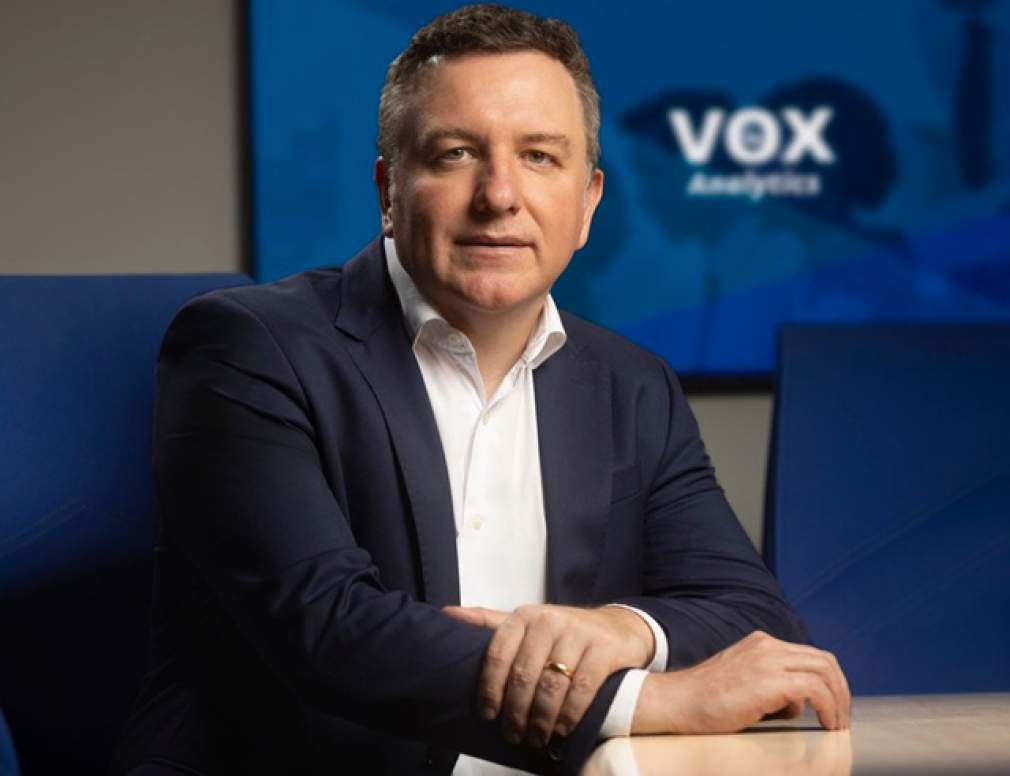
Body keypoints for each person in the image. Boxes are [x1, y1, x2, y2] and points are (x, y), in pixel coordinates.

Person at [114, 5, 849, 775]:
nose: (499, 195)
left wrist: (622, 630)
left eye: (539, 156)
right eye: (456, 153)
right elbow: (326, 628)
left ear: (587, 204)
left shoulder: (633, 386)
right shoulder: (245, 347)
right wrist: (645, 701)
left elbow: (755, 620)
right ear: (388, 192)